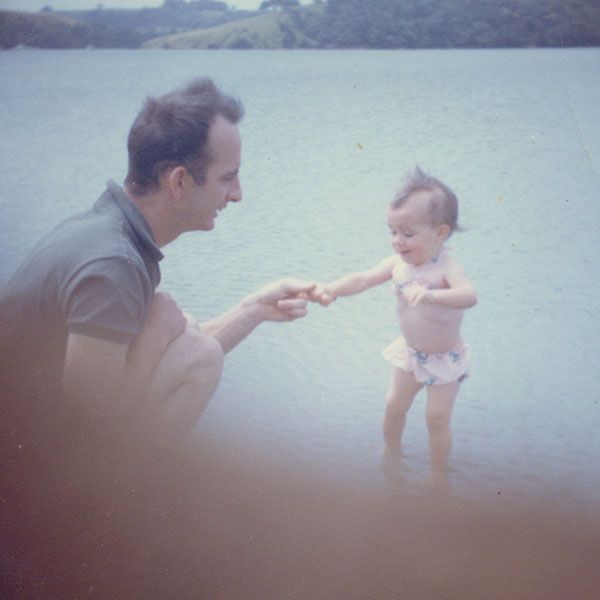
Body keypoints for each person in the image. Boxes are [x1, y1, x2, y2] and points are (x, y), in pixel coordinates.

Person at [0, 77, 315, 454]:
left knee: (189, 335)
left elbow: (163, 360)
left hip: (29, 438)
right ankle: (124, 507)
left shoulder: (106, 231)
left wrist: (255, 310)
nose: (237, 195)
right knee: (195, 349)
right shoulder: (112, 265)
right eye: (228, 178)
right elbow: (85, 431)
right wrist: (154, 338)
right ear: (179, 182)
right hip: (26, 467)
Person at [311, 167, 477, 485]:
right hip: (410, 354)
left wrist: (431, 296)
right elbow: (363, 278)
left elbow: (469, 296)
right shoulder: (398, 265)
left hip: (445, 358)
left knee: (437, 418)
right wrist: (331, 289)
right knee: (393, 406)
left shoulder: (447, 267)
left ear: (440, 233)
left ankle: (438, 474)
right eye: (393, 232)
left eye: (408, 234)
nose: (397, 241)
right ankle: (391, 453)